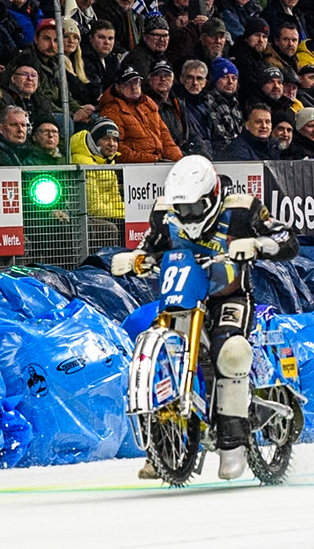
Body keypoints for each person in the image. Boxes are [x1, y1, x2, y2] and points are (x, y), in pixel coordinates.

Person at [108, 156, 297, 480]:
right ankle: (162, 441)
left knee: (232, 352)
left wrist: (258, 244)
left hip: (229, 296)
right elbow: (149, 248)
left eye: (195, 207)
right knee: (158, 343)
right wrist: (135, 259)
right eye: (183, 208)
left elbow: (286, 239)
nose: (188, 215)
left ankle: (233, 444)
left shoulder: (242, 208)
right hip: (183, 295)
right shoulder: (164, 212)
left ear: (212, 196)